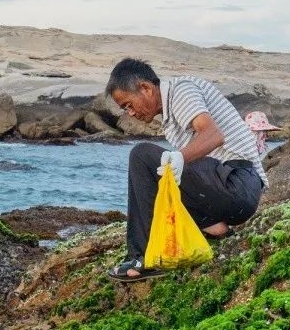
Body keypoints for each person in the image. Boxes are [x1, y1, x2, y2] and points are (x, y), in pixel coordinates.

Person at [106, 58, 267, 282]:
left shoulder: (181, 90)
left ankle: (141, 257)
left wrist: (180, 157)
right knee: (163, 173)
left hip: (239, 183)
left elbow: (213, 135)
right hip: (231, 195)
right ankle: (212, 225)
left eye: (128, 105)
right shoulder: (170, 117)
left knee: (142, 155)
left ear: (146, 88)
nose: (130, 113)